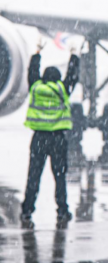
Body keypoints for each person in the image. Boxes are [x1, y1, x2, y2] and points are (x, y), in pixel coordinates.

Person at [20, 45, 80, 229]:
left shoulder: (36, 88)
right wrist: (74, 56)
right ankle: (62, 210)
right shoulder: (62, 89)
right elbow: (72, 76)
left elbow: (32, 73)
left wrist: (36, 53)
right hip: (57, 140)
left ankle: (27, 210)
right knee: (60, 177)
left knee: (33, 177)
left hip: (39, 139)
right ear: (58, 78)